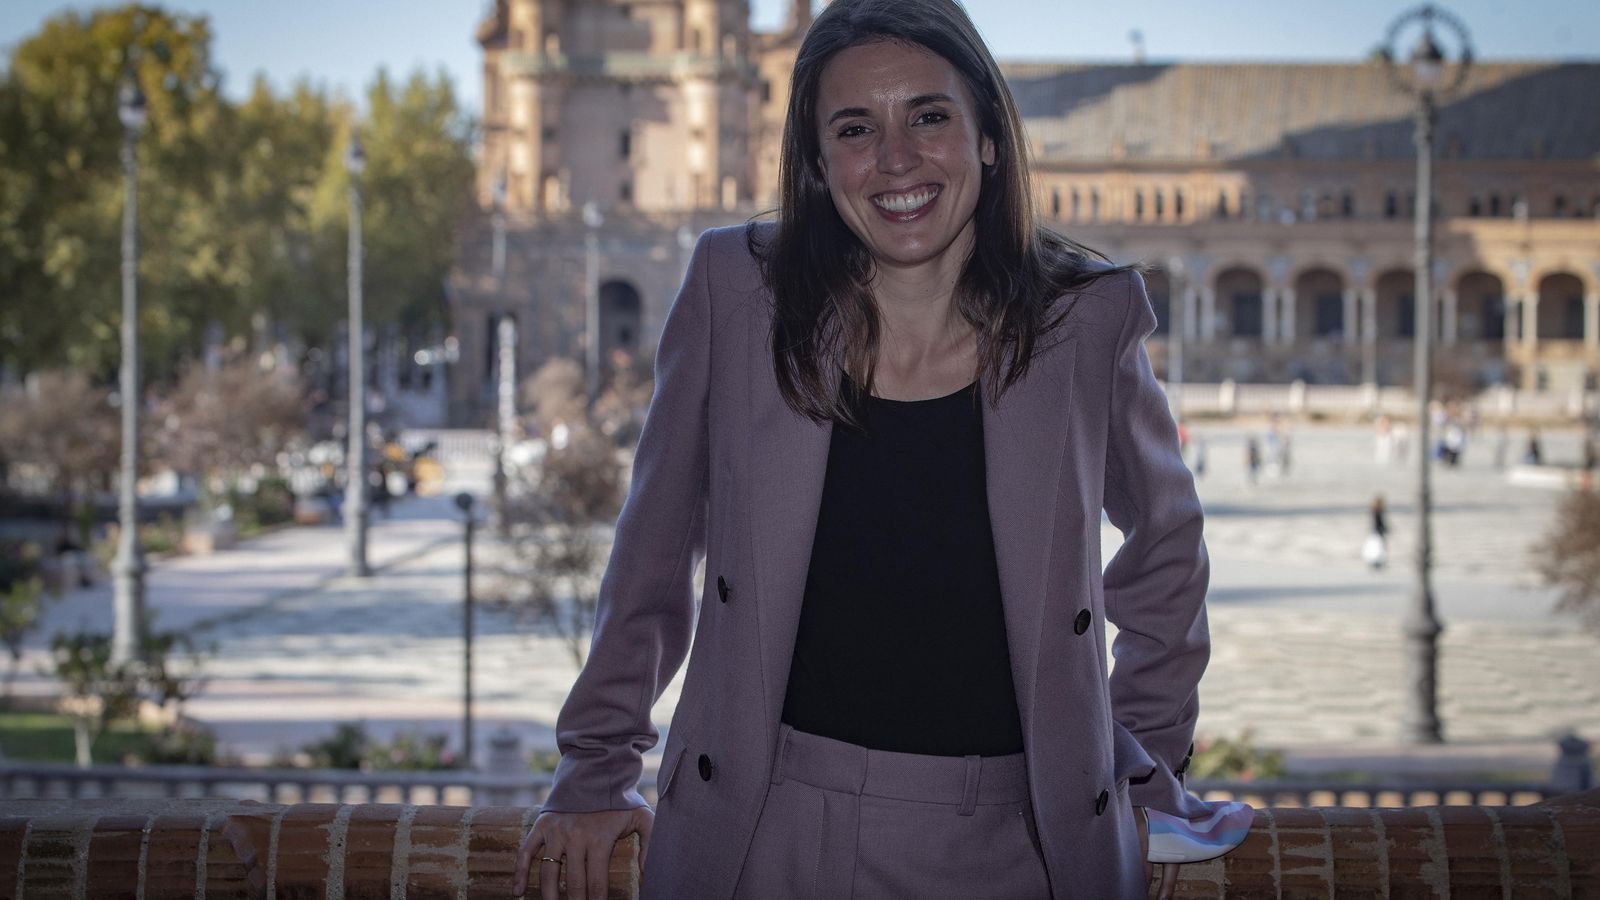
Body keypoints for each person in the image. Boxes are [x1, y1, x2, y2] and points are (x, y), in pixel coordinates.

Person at [512, 2, 1249, 897]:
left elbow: (1170, 547)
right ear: (819, 164)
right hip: (763, 831)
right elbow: (653, 555)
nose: (896, 159)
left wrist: (1138, 767)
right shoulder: (736, 292)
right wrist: (595, 765)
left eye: (929, 116)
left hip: (1023, 846)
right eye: (855, 128)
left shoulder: (1082, 317)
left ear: (987, 135)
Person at [1364, 495, 1389, 570]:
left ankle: (1377, 561)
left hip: (1377, 531)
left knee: (1378, 547)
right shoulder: (1377, 511)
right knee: (1378, 547)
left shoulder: (1376, 511)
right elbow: (1378, 523)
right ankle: (1377, 561)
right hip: (1378, 531)